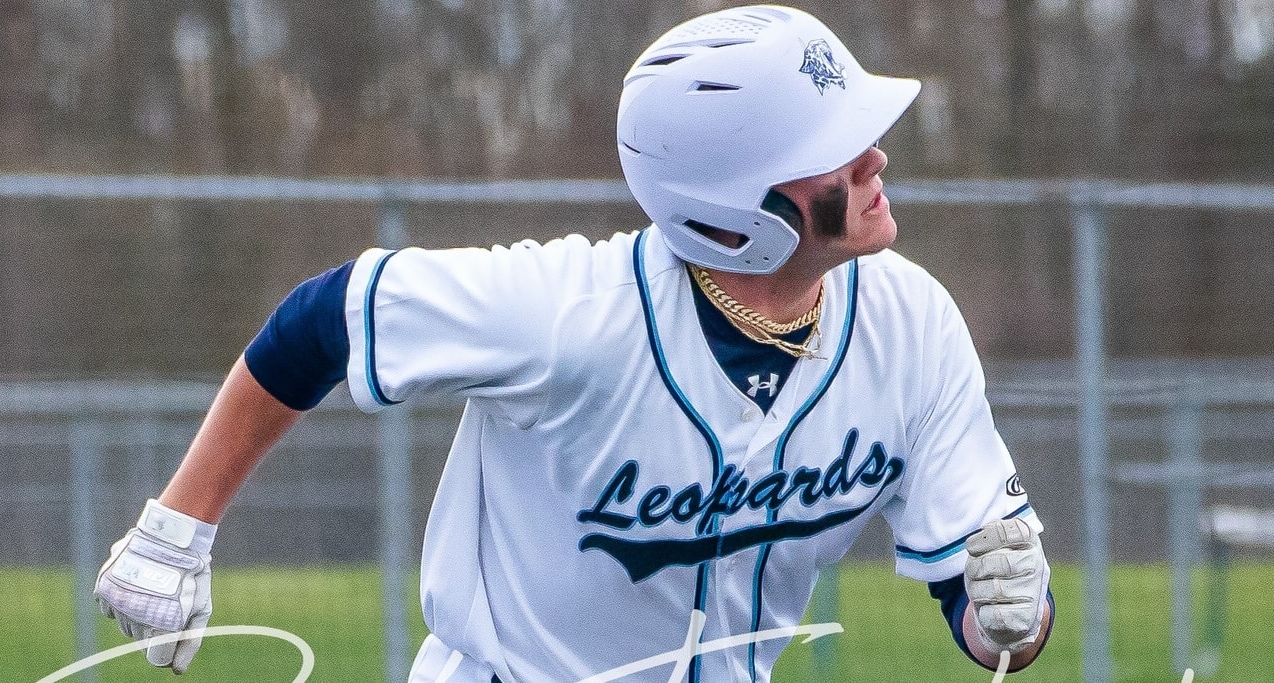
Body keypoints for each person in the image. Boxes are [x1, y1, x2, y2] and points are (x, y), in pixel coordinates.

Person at [94, 5, 1054, 681]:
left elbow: (971, 602)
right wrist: (178, 526)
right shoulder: (566, 309)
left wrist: (1009, 620)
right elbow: (325, 318)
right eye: (833, 149)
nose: (875, 155)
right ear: (738, 211)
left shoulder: (910, 325)